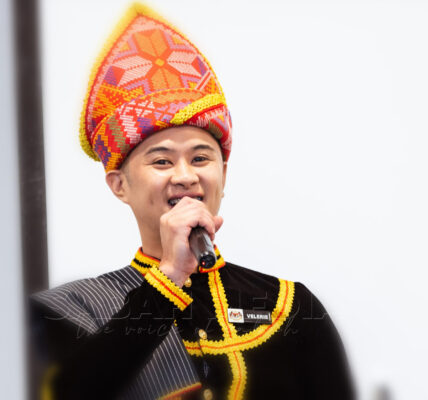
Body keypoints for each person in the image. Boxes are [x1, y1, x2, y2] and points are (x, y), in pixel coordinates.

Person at [30, 3, 355, 400]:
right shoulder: (71, 310)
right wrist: (168, 277)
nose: (185, 176)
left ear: (223, 174)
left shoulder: (291, 307)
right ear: (119, 185)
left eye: (201, 158)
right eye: (162, 161)